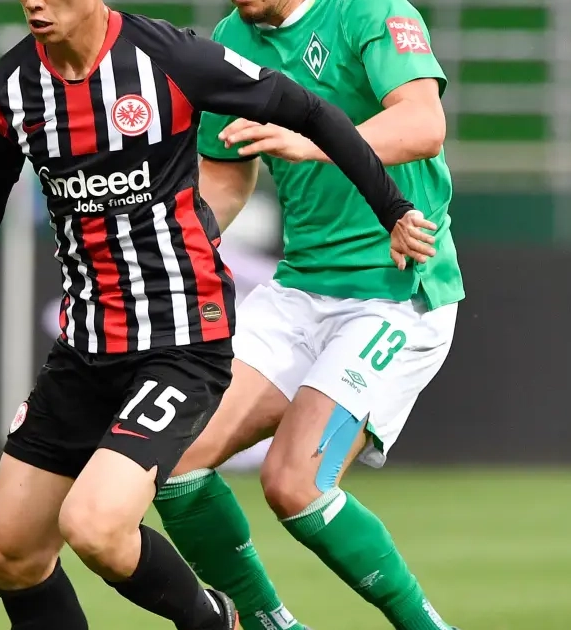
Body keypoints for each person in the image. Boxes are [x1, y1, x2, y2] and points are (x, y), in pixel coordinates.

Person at [0, 0, 434, 627]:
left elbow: (311, 112)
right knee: (12, 556)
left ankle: (222, 621)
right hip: (86, 350)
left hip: (182, 343)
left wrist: (394, 211)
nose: (35, 4)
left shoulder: (170, 57)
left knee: (95, 526)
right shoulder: (6, 88)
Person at [151, 1, 463, 629]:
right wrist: (168, 253)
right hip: (297, 292)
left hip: (396, 292)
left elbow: (424, 123)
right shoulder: (233, 37)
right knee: (165, 458)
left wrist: (316, 138)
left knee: (295, 482)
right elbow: (225, 174)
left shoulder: (368, 11)